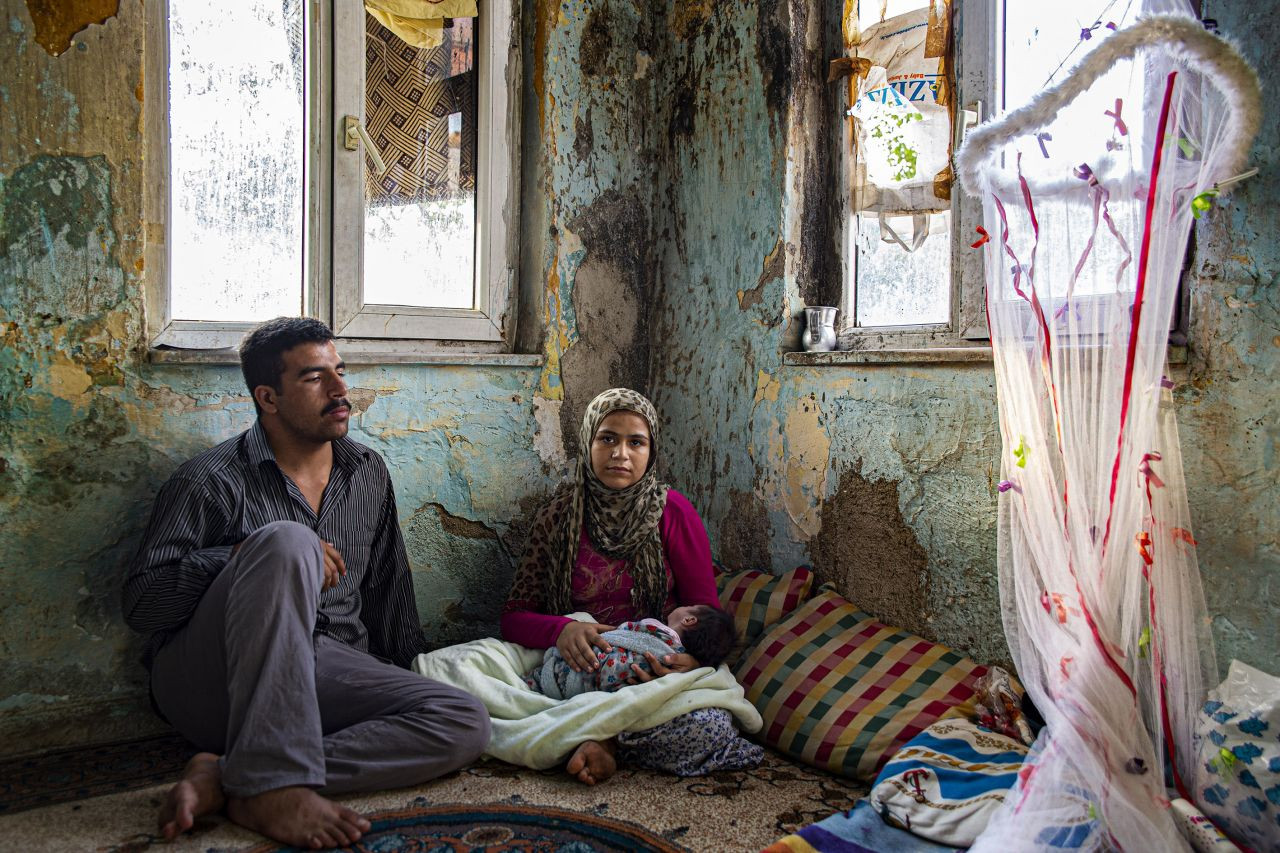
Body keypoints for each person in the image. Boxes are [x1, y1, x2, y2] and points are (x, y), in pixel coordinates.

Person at [122, 318, 490, 850]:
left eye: (340, 372)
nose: (342, 390)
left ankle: (235, 776)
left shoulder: (366, 471)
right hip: (216, 677)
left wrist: (405, 678)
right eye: (315, 378)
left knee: (464, 720)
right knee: (288, 541)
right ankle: (273, 786)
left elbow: (388, 588)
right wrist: (242, 555)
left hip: (324, 667)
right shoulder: (209, 479)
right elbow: (143, 605)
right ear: (267, 397)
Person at [502, 387, 762, 784]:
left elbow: (704, 613)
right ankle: (599, 735)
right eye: (607, 438)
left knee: (711, 726)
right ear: (588, 442)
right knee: (463, 679)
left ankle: (596, 741)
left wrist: (687, 664)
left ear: (651, 451)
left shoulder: (674, 512)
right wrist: (563, 629)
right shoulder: (557, 517)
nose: (620, 454)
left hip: (650, 680)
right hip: (573, 670)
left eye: (635, 442)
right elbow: (513, 619)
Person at [525, 604, 737, 698]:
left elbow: (627, 630)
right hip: (608, 681)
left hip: (588, 663)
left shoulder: (655, 629)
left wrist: (695, 665)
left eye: (689, 605)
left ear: (689, 620)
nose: (685, 604)